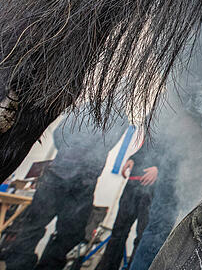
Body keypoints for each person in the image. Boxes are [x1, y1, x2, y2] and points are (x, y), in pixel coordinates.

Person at [0, 110, 127, 270]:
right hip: (60, 175)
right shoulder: (87, 108)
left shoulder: (121, 119)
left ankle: (47, 266)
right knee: (32, 225)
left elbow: (105, 143)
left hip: (82, 182)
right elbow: (61, 133)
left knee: (70, 233)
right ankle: (20, 265)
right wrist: (70, 156)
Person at [95, 141, 159, 270]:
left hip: (153, 190)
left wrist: (159, 168)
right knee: (118, 231)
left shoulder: (182, 125)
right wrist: (133, 159)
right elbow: (148, 146)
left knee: (143, 236)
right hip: (133, 184)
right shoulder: (155, 125)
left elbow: (177, 155)